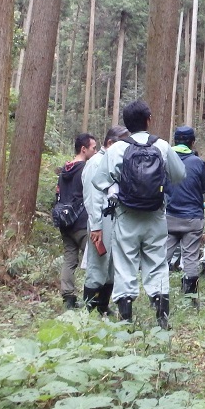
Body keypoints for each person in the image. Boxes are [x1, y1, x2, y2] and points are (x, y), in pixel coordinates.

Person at [91, 100, 186, 328]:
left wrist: (114, 189)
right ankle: (162, 317)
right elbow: (179, 175)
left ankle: (126, 319)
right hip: (155, 215)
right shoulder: (162, 146)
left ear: (126, 123)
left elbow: (99, 180)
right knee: (157, 262)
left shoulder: (116, 149)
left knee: (125, 263)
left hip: (126, 215)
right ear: (148, 119)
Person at [81, 125, 130, 315]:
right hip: (100, 221)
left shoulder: (110, 162)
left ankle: (103, 305)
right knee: (97, 266)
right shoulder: (96, 163)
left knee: (110, 266)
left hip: (113, 220)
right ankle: (89, 309)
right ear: (110, 143)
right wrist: (95, 227)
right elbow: (93, 199)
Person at [165, 125, 205, 306]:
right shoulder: (198, 163)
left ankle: (158, 296)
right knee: (191, 257)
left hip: (168, 217)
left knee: (162, 257)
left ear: (175, 141)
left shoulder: (164, 160)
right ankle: (190, 297)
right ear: (192, 142)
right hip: (192, 218)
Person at [56, 132, 97, 309]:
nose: (95, 151)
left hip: (65, 223)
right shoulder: (85, 169)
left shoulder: (65, 169)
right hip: (82, 222)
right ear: (84, 149)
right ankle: (93, 299)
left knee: (69, 260)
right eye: (93, 148)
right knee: (94, 261)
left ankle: (68, 299)